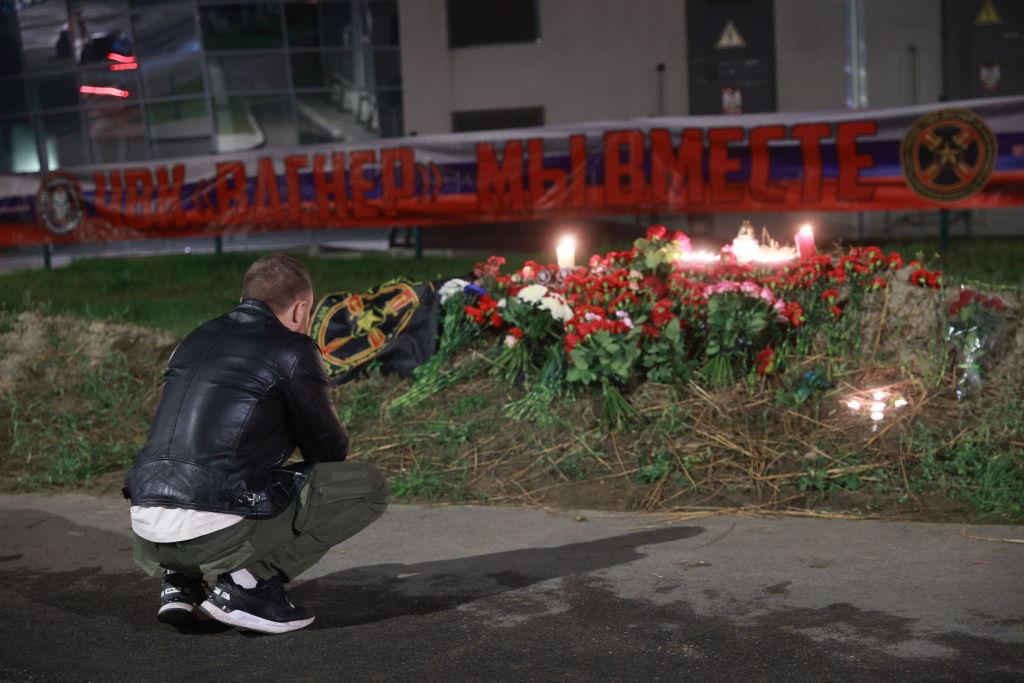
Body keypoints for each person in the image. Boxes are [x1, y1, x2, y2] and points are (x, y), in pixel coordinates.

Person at [122, 253, 388, 634]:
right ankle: (249, 585)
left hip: (147, 526)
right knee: (368, 487)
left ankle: (180, 582)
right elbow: (329, 452)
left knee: (215, 471)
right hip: (210, 531)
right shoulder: (292, 348)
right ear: (300, 310)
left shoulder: (193, 339)